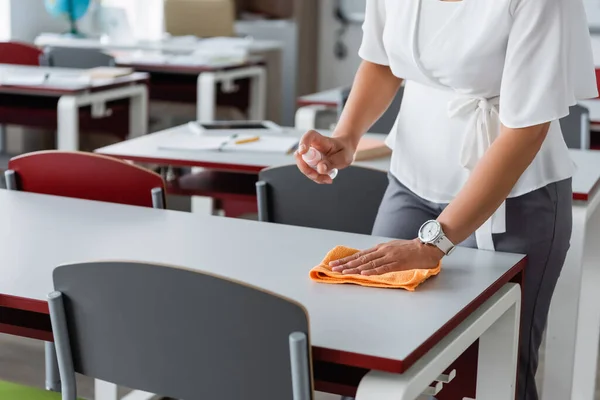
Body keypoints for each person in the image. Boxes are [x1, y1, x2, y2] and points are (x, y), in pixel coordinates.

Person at [295, 0, 598, 399]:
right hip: (410, 181)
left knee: (495, 373)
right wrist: (346, 137)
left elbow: (526, 130)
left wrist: (435, 242)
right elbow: (383, 61)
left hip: (515, 201)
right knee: (378, 348)